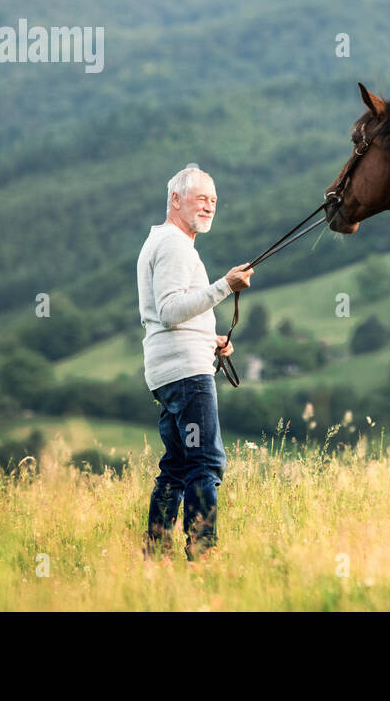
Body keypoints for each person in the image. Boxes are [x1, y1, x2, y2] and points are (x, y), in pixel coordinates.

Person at [137, 164, 253, 560]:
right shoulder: (173, 244)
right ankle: (203, 555)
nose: (209, 207)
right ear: (175, 200)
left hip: (168, 370)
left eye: (214, 201)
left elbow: (170, 314)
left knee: (177, 464)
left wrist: (210, 339)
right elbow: (169, 311)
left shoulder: (166, 242)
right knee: (205, 461)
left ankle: (156, 555)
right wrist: (226, 286)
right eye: (201, 198)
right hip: (187, 375)